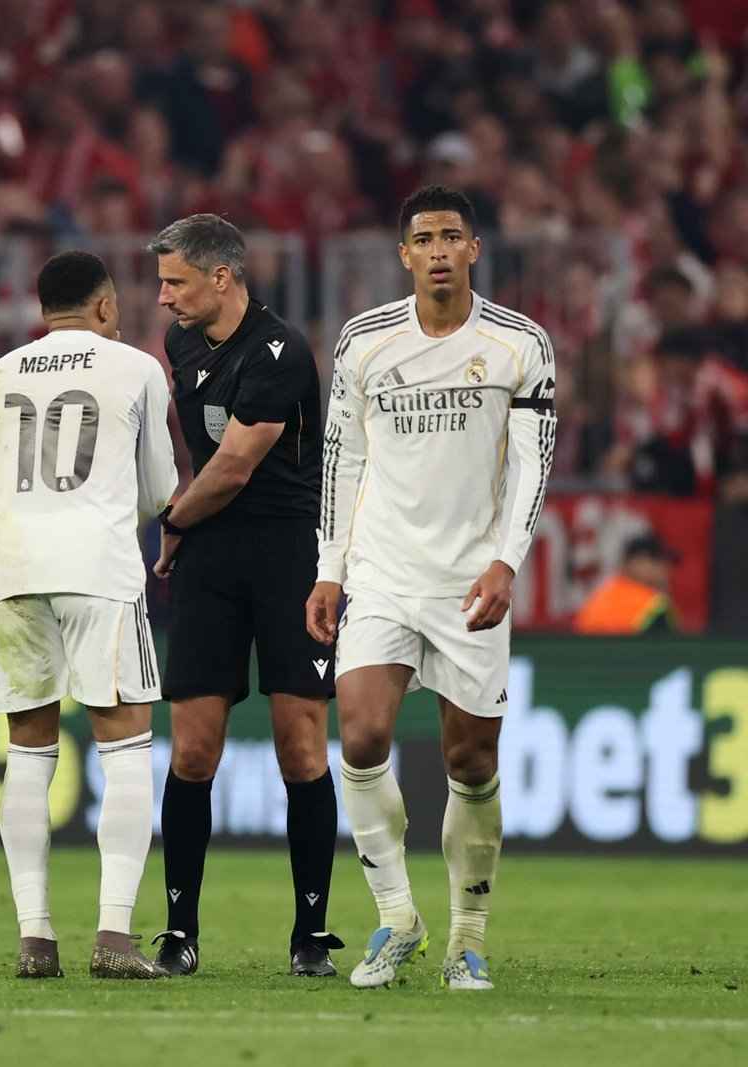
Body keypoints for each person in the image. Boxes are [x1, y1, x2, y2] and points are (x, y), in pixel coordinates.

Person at [306, 185, 557, 991]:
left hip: (469, 580)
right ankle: (397, 916)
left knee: (470, 758)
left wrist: (507, 560)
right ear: (405, 254)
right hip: (382, 572)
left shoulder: (520, 343)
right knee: (360, 736)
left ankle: (466, 940)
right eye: (424, 238)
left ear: (475, 249)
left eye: (452, 236)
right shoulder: (364, 342)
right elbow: (341, 460)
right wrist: (330, 569)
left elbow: (534, 465)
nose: (439, 249)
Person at [148, 214, 344, 978]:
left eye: (175, 282)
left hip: (287, 553)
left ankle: (310, 935)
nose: (163, 298)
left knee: (301, 747)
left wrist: (171, 522)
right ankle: (179, 933)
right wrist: (186, 526)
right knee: (193, 751)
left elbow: (231, 469)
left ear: (221, 277)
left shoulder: (280, 351)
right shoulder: (181, 344)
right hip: (212, 556)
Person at [0, 250, 177, 979]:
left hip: (16, 570)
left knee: (29, 753)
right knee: (124, 748)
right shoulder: (137, 367)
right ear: (105, 306)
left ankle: (35, 938)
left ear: (42, 310)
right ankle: (114, 937)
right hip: (100, 570)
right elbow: (158, 490)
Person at [573, 533, 680, 634]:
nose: (666, 569)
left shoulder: (601, 595)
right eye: (657, 561)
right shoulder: (653, 605)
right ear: (635, 562)